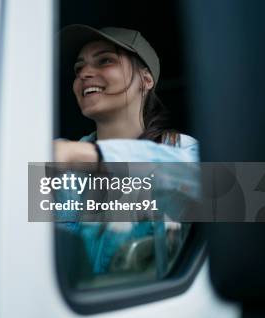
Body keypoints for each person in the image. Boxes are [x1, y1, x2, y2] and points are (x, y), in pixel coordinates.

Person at [54, 24, 199, 276]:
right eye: (79, 68)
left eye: (105, 60)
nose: (85, 73)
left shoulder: (182, 150)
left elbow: (242, 193)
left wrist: (86, 156)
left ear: (146, 79)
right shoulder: (59, 171)